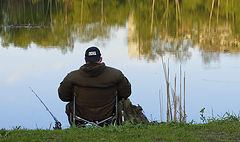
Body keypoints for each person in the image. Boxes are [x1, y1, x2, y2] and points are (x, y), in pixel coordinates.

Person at [58, 46, 131, 126]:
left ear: (85, 60)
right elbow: (126, 93)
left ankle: (78, 127)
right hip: (108, 114)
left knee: (70, 106)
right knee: (121, 102)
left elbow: (64, 97)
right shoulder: (116, 74)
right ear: (100, 59)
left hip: (81, 114)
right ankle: (106, 125)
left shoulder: (72, 77)